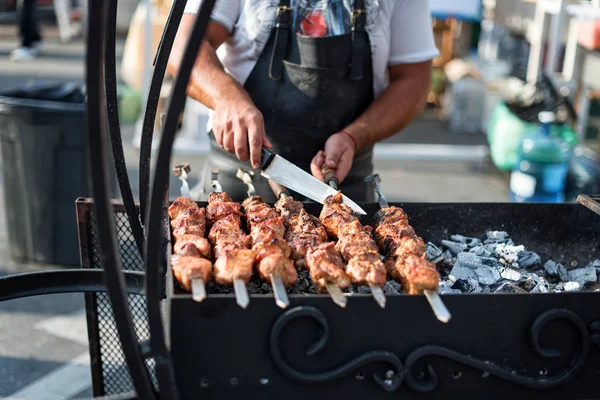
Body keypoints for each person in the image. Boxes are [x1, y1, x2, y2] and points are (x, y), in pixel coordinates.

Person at [168, 0, 438, 202]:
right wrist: (226, 97)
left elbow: (413, 79)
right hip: (239, 182)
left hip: (343, 182)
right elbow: (181, 46)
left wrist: (355, 136)